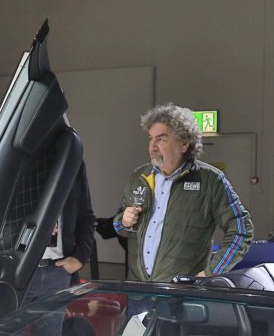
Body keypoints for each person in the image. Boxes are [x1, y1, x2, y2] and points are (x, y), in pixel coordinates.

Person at [113, 104, 253, 281]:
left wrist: (211, 272)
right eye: (151, 139)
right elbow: (118, 227)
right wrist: (123, 221)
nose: (152, 147)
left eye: (161, 139)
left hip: (181, 291)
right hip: (138, 289)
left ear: (184, 144)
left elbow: (241, 230)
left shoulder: (211, 180)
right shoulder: (139, 176)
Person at [22, 161, 96, 305]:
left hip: (59, 271)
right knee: (10, 321)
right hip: (20, 271)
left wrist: (80, 258)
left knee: (55, 321)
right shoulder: (16, 155)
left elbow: (86, 218)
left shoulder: (72, 160)